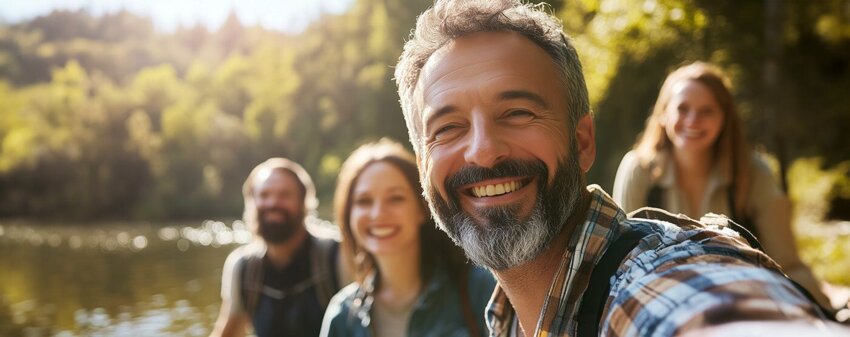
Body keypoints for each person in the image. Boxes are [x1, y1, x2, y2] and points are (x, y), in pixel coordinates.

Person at [392, 0, 848, 336]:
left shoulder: (658, 282)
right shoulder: (507, 317)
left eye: (517, 113)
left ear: (582, 141)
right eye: (447, 128)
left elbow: (701, 306)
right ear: (422, 167)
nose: (483, 151)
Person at [611, 61, 832, 309]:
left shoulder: (753, 173)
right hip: (666, 302)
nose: (693, 121)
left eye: (707, 111)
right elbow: (624, 264)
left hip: (748, 297)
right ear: (663, 114)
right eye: (683, 109)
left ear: (725, 118)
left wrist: (821, 313)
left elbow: (789, 265)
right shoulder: (637, 170)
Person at [320, 139, 495, 337]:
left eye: (396, 198)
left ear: (422, 209)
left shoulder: (480, 288)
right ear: (348, 215)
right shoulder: (342, 317)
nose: (378, 214)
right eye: (364, 201)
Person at [210, 158, 344, 337]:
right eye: (264, 195)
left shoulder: (336, 255)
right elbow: (228, 331)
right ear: (252, 203)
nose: (273, 203)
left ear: (304, 202)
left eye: (284, 195)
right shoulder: (242, 267)